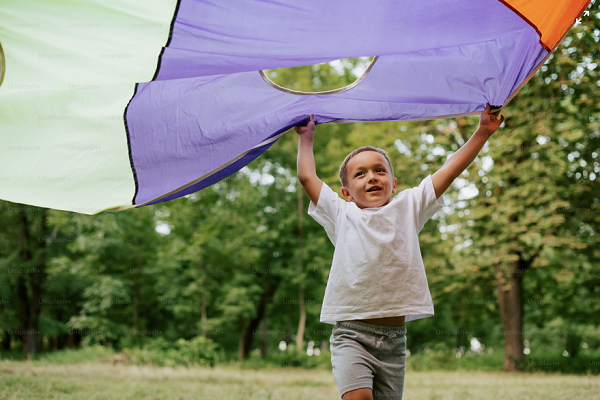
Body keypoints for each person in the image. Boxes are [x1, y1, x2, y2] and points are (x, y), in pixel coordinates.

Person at [294, 104, 505, 400]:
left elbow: (449, 170)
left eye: (380, 171)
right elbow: (307, 178)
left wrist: (482, 133)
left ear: (393, 184)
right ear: (346, 192)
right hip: (352, 334)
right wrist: (306, 138)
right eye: (360, 174)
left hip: (394, 341)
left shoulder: (409, 206)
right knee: (359, 397)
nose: (372, 177)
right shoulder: (341, 214)